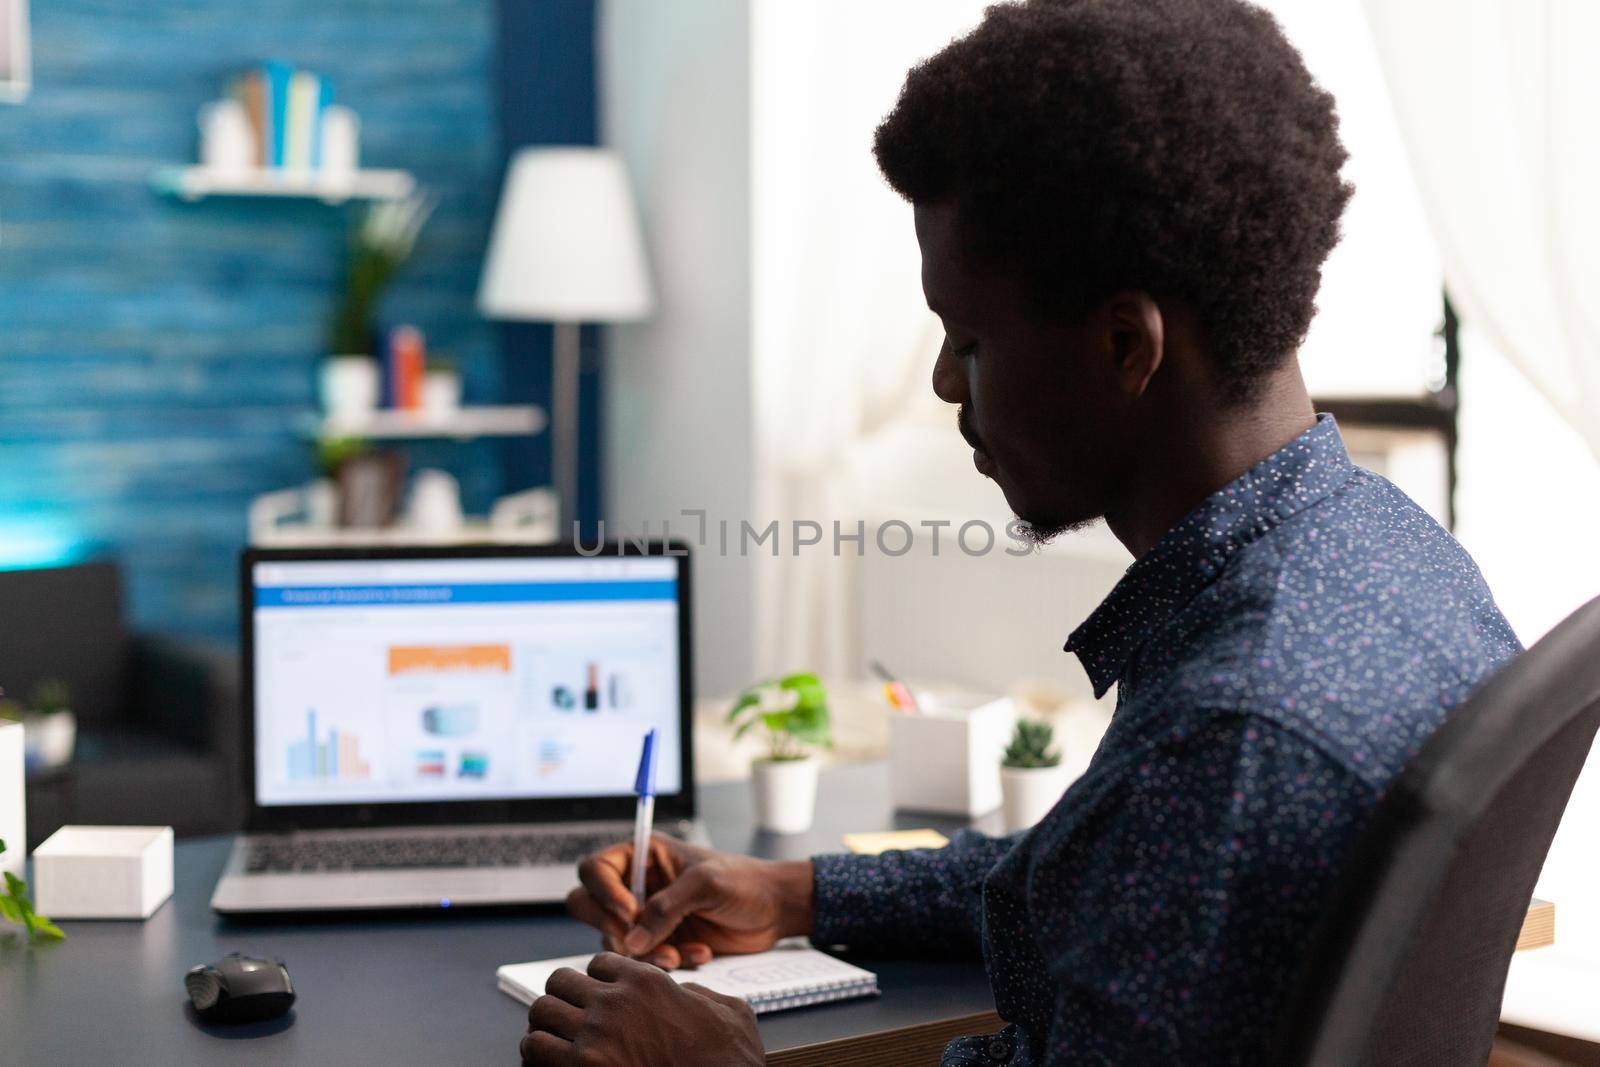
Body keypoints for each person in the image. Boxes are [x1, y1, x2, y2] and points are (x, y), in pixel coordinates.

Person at [518, 0, 1522, 1063]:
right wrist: (796, 888)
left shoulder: (1233, 732)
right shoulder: (1394, 554)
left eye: (969, 339)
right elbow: (1120, 865)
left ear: (1126, 345)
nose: (947, 381)